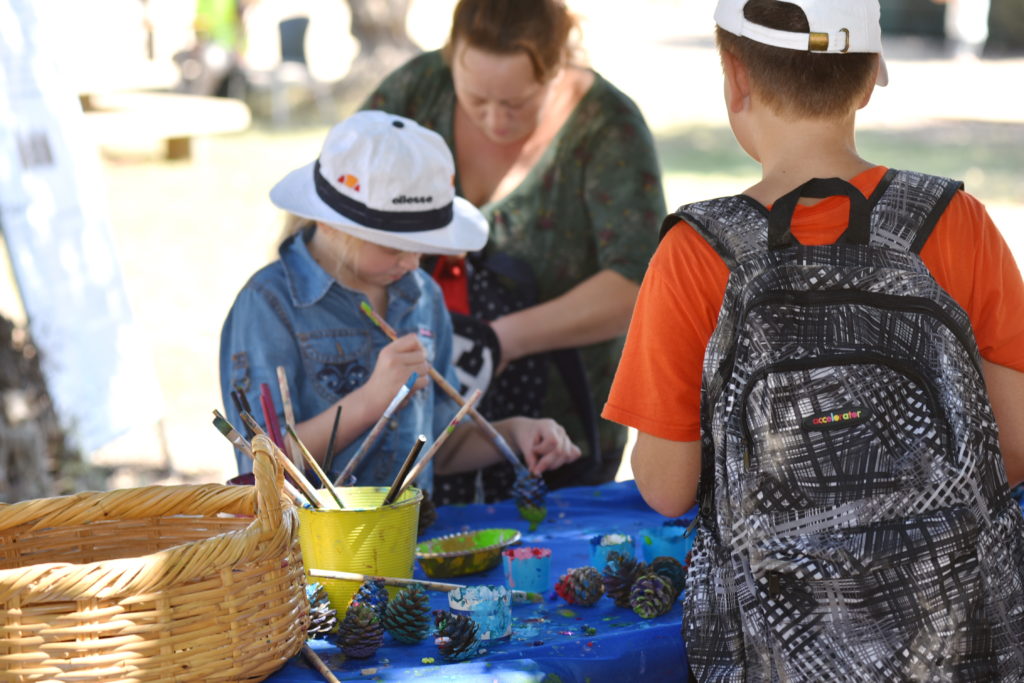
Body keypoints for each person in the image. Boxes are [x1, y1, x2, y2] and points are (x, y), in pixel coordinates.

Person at [603, 0, 1024, 679]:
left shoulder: (696, 253)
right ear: (870, 76)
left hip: (776, 650)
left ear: (735, 77)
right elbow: (1016, 445)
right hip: (951, 641)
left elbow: (666, 487)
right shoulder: (957, 221)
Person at [361, 0, 666, 494]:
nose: (495, 119)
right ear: (452, 57)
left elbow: (640, 283)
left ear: (557, 67)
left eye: (517, 103)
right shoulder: (415, 92)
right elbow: (336, 215)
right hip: (412, 426)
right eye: (476, 99)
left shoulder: (606, 127)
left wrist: (501, 340)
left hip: (558, 432)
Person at [219, 110, 581, 494]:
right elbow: (261, 463)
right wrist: (370, 401)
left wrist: (514, 433)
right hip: (311, 533)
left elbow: (440, 447)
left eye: (422, 247)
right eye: (394, 248)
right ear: (329, 222)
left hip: (415, 524)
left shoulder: (422, 295)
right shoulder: (268, 305)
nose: (411, 263)